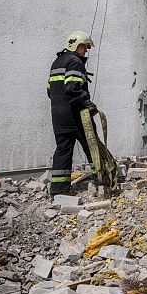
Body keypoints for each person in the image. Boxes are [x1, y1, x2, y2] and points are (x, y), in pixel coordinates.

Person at [47, 31, 99, 197]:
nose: (87, 50)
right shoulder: (75, 62)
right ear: (76, 46)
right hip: (76, 116)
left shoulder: (56, 63)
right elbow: (72, 89)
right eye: (85, 46)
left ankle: (59, 190)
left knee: (63, 150)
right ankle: (103, 181)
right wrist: (89, 105)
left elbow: (49, 91)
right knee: (93, 146)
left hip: (59, 117)